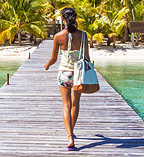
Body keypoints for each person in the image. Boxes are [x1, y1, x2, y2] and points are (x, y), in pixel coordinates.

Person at [44, 7, 90, 151]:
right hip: (78, 74)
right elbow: (87, 57)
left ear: (63, 19)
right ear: (75, 18)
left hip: (64, 73)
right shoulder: (83, 35)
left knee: (66, 104)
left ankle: (70, 137)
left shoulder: (58, 36)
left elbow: (54, 58)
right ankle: (71, 131)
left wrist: (47, 65)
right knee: (75, 104)